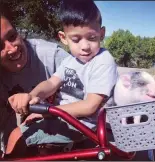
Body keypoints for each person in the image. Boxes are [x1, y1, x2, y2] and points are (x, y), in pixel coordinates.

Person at [6, 0, 118, 157]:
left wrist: (48, 112)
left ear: (102, 34)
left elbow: (90, 106)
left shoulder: (103, 61)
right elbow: (51, 83)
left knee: (16, 136)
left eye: (92, 38)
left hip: (83, 125)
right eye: (76, 39)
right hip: (63, 117)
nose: (85, 46)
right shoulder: (70, 60)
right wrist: (33, 96)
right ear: (63, 38)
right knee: (28, 124)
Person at [0, 9, 69, 155]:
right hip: (23, 137)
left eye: (12, 36)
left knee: (18, 136)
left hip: (68, 128)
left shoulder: (53, 57)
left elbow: (91, 101)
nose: (12, 49)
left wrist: (47, 115)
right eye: (0, 46)